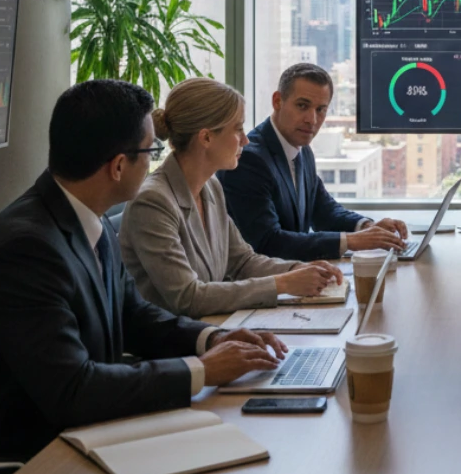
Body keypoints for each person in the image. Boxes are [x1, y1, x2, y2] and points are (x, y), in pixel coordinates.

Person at [0, 80, 287, 460]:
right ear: (117, 166)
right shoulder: (24, 251)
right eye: (151, 151)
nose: (155, 162)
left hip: (74, 435)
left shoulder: (82, 219)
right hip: (12, 466)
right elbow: (73, 389)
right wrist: (201, 371)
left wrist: (211, 339)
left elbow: (133, 314)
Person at [120, 78, 345, 318]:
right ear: (206, 138)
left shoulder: (210, 186)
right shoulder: (153, 202)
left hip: (216, 328)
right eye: (238, 129)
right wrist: (283, 284)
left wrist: (298, 269)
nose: (246, 140)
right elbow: (188, 298)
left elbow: (241, 261)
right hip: (174, 345)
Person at [221, 63, 408, 260]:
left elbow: (323, 211)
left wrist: (367, 227)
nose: (312, 119)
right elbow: (267, 242)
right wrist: (353, 241)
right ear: (277, 101)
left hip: (298, 277)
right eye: (302, 106)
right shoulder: (249, 159)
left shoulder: (302, 149)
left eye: (321, 109)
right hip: (267, 284)